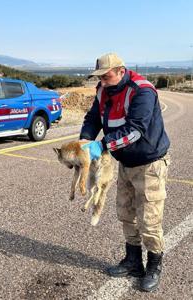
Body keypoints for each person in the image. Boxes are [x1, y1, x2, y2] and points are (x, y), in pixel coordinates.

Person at [80, 53, 170, 292]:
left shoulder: (142, 91)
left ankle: (154, 265)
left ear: (121, 71)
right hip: (125, 164)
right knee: (126, 213)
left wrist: (102, 145)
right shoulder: (102, 89)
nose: (103, 81)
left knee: (149, 218)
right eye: (99, 77)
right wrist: (85, 139)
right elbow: (93, 118)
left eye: (106, 76)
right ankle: (133, 261)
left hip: (149, 163)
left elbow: (135, 131)